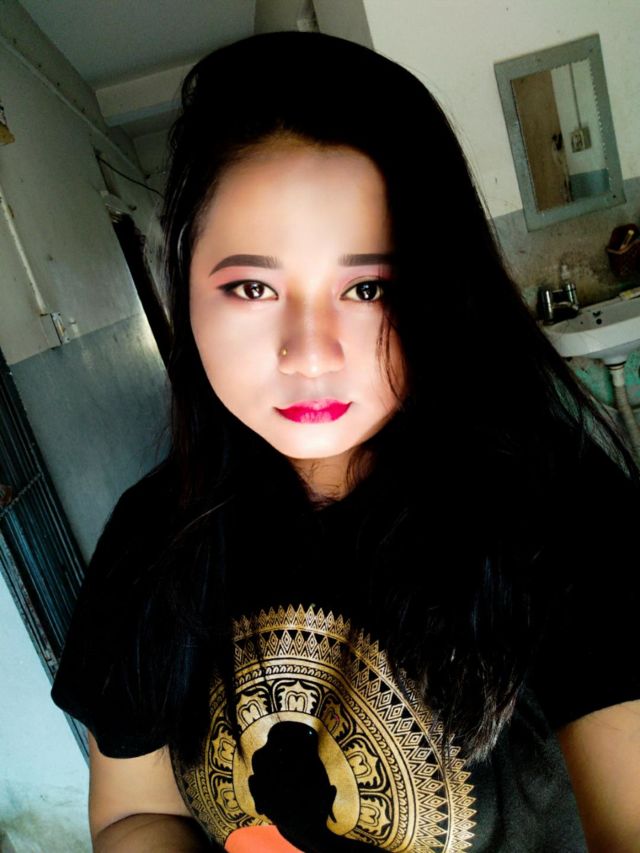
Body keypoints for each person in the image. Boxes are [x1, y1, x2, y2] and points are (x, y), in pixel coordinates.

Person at [51, 31, 640, 853]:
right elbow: (134, 813)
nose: (309, 353)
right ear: (184, 287)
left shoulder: (557, 510)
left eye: (367, 287)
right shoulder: (149, 538)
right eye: (251, 286)